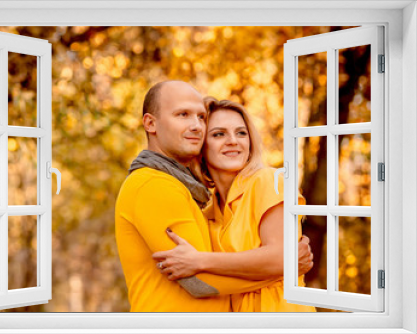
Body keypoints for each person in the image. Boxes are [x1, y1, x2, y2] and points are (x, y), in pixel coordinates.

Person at [115, 81, 313, 312]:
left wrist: (200, 260)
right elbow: (201, 281)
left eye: (241, 133)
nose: (232, 141)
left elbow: (201, 268)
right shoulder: (166, 190)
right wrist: (287, 267)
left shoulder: (267, 181)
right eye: (218, 134)